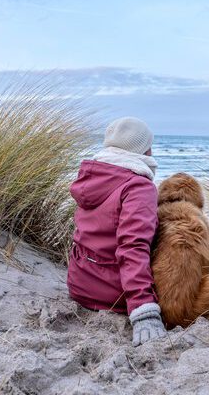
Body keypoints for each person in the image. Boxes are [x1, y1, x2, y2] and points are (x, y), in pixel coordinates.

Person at [66, 116, 167, 346]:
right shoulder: (138, 186)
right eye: (149, 145)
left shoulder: (91, 178)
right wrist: (143, 310)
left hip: (79, 285)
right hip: (114, 293)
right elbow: (133, 247)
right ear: (143, 149)